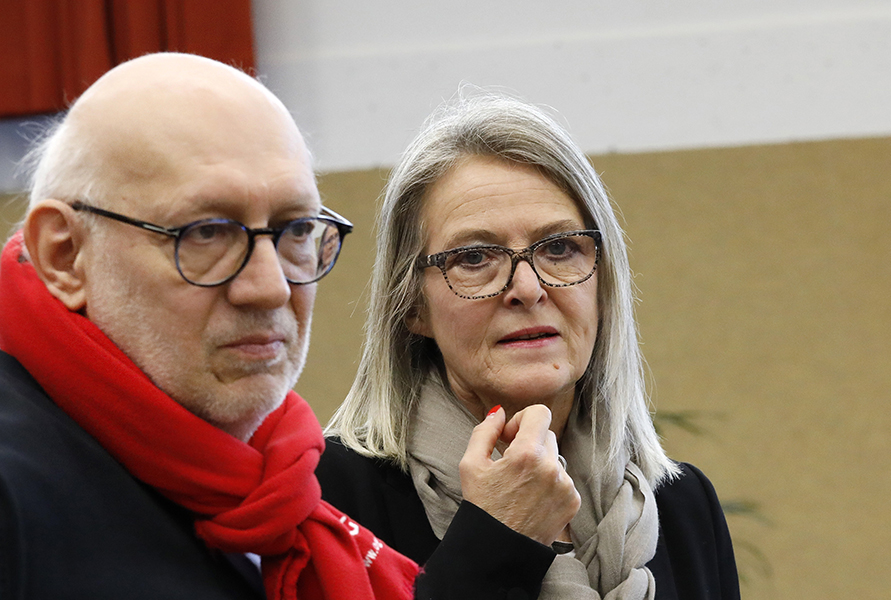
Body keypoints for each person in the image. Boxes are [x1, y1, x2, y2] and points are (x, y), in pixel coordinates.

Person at [0, 53, 540, 600]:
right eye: (206, 232)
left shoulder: (275, 485)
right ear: (66, 256)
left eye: (296, 229)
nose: (271, 287)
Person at [318, 91, 742, 600]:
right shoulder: (330, 496)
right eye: (475, 257)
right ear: (413, 307)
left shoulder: (683, 506)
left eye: (559, 248)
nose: (528, 288)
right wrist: (495, 538)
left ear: (604, 285)